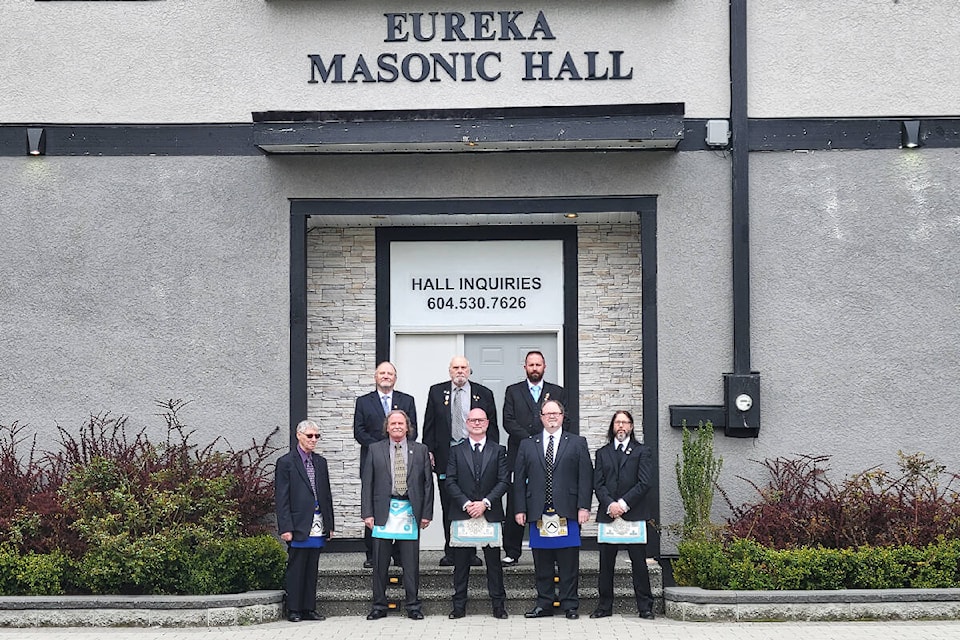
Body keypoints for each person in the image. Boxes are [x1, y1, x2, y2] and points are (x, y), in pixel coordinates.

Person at [513, 400, 592, 620]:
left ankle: (570, 605)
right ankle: (544, 604)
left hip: (567, 512)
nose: (551, 417)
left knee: (568, 563)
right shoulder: (528, 444)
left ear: (562, 416)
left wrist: (584, 506)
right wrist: (520, 509)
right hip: (538, 512)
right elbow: (519, 480)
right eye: (547, 414)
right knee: (542, 563)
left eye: (555, 413)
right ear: (541, 417)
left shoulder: (577, 443)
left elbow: (586, 477)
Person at [423, 355, 498, 566]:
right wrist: (428, 451)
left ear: (469, 370)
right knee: (449, 503)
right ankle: (451, 550)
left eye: (463, 367)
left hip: (475, 457)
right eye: (455, 367)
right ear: (449, 370)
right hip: (446, 457)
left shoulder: (484, 394)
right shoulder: (436, 392)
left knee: (473, 500)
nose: (460, 371)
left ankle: (471, 549)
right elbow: (429, 425)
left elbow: (492, 429)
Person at [361, 409, 434, 621]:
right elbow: (368, 483)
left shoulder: (420, 450)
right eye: (393, 423)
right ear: (387, 427)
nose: (397, 427)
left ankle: (413, 606)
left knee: (410, 564)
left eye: (401, 423)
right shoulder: (375, 450)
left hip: (410, 512)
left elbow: (428, 485)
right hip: (383, 511)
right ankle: (379, 605)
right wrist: (367, 513)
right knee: (380, 563)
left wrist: (426, 514)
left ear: (407, 426)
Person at [501, 350, 569, 566]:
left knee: (551, 496)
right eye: (531, 365)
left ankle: (556, 545)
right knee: (516, 498)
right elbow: (508, 421)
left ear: (544, 367)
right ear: (525, 368)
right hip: (520, 452)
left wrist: (544, 438)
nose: (534, 368)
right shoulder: (513, 391)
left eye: (538, 364)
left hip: (550, 453)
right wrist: (532, 440)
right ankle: (512, 551)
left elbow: (566, 420)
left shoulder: (557, 391)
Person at [444, 408, 510, 619]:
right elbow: (450, 480)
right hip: (464, 513)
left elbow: (504, 481)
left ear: (488, 423)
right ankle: (459, 606)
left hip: (489, 513)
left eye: (481, 420)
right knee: (461, 565)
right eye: (473, 420)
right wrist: (466, 504)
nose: (477, 423)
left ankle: (498, 606)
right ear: (467, 423)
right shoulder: (456, 450)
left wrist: (485, 503)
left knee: (494, 564)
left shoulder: (499, 450)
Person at [590, 410, 656, 619]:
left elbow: (644, 482)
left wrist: (623, 504)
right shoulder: (602, 452)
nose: (621, 426)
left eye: (625, 422)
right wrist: (610, 504)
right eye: (617, 422)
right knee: (606, 564)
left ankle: (645, 607)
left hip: (633, 515)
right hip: (609, 515)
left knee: (639, 564)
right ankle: (604, 606)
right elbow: (598, 483)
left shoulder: (642, 451)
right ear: (612, 426)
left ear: (631, 427)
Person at [353, 361, 417, 568]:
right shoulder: (363, 402)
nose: (386, 376)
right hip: (374, 462)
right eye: (382, 373)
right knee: (374, 502)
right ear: (375, 376)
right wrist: (381, 448)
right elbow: (359, 431)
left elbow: (413, 430)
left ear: (395, 378)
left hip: (401, 461)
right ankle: (373, 554)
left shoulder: (407, 400)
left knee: (401, 502)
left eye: (390, 373)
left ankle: (399, 554)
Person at [275, 419, 336, 622]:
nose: (313, 440)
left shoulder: (320, 462)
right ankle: (294, 609)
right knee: (297, 567)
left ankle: (309, 608)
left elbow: (326, 495)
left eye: (317, 436)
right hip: (298, 523)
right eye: (310, 436)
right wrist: (286, 527)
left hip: (318, 522)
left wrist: (330, 525)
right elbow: (281, 497)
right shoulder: (286, 462)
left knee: (312, 567)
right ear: (298, 435)